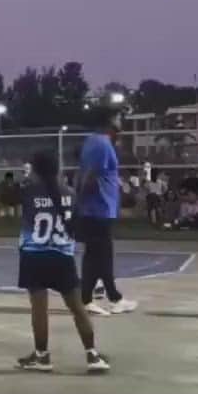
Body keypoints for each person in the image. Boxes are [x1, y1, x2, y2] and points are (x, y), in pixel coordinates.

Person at [15, 151, 110, 373]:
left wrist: (27, 178)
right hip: (62, 256)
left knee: (39, 309)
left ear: (36, 171)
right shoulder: (70, 193)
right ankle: (92, 355)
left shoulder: (29, 192)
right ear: (57, 170)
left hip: (33, 255)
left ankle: (42, 356)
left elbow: (15, 200)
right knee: (77, 308)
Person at [74, 108, 138, 316]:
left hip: (97, 208)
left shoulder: (94, 142)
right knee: (102, 255)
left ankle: (91, 298)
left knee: (96, 255)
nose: (121, 121)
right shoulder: (101, 144)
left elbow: (85, 174)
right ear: (109, 121)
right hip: (98, 209)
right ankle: (112, 298)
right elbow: (90, 176)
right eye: (118, 117)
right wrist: (82, 202)